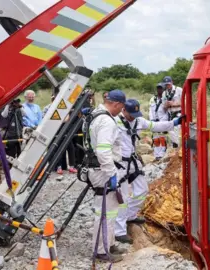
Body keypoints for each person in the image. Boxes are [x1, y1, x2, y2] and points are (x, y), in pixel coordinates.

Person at [114, 99, 185, 244]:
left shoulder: (138, 121)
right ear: (124, 111)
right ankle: (119, 231)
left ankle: (131, 215)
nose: (133, 117)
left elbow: (155, 126)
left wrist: (175, 122)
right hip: (119, 163)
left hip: (132, 162)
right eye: (131, 114)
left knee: (142, 190)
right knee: (123, 198)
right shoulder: (114, 122)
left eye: (135, 114)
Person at [85, 89, 128, 262]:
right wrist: (112, 174)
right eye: (121, 108)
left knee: (109, 211)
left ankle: (108, 243)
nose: (121, 111)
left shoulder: (96, 115)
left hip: (98, 169)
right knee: (105, 212)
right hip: (104, 171)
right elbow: (103, 151)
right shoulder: (107, 121)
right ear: (117, 104)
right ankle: (102, 250)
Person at [148, 83, 169, 161]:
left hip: (163, 121)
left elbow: (167, 112)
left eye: (161, 88)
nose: (159, 90)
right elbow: (150, 110)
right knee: (156, 138)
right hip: (154, 122)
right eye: (158, 88)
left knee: (162, 138)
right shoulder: (152, 99)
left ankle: (162, 154)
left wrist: (163, 121)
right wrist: (152, 120)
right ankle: (157, 154)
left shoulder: (166, 99)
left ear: (164, 90)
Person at [162, 76, 183, 150]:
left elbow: (186, 101)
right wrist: (166, 105)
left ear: (172, 82)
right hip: (170, 114)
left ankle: (177, 147)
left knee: (176, 130)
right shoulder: (164, 93)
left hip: (178, 113)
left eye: (168, 84)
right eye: (166, 84)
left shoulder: (179, 90)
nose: (167, 86)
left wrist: (174, 103)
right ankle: (177, 146)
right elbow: (163, 106)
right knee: (170, 131)